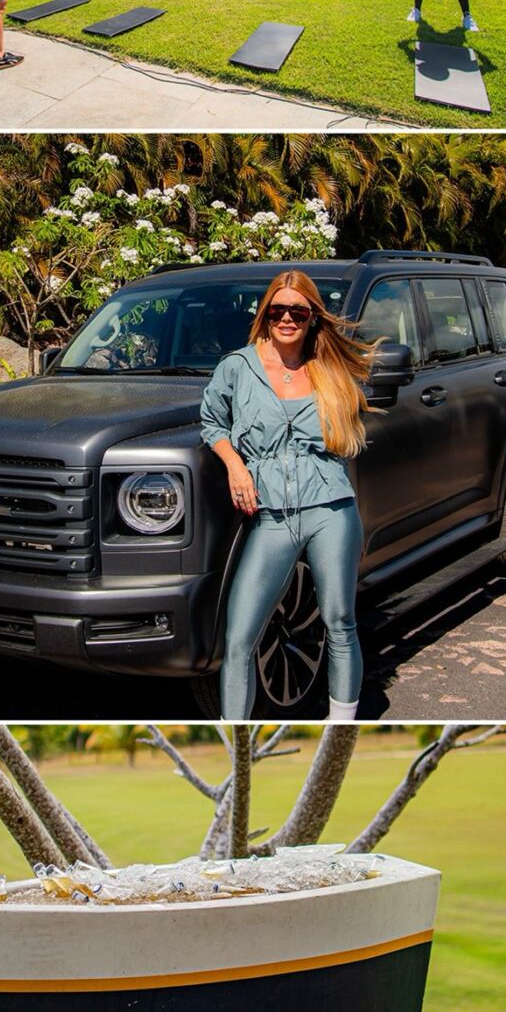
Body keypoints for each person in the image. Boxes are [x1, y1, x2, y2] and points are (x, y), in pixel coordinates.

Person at [200, 273, 379, 721]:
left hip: (330, 509)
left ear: (311, 318)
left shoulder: (331, 372)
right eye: (277, 310)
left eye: (297, 312)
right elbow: (212, 423)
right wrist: (235, 465)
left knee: (340, 622)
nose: (286, 319)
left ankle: (341, 728)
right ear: (265, 314)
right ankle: (235, 739)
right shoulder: (237, 367)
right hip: (271, 514)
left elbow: (348, 436)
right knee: (239, 638)